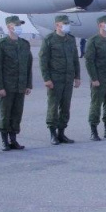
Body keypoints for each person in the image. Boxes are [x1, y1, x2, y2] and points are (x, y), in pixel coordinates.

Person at [0, 15, 32, 150]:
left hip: (20, 85)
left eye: (20, 25)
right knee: (5, 113)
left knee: (17, 113)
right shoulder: (1, 45)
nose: (19, 27)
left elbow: (28, 66)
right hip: (7, 86)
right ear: (9, 27)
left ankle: (13, 139)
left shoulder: (24, 44)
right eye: (16, 25)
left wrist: (28, 84)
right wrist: (0, 87)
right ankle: (4, 140)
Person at [40, 14, 81, 145]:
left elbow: (75, 59)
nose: (67, 26)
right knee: (53, 106)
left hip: (68, 79)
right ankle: (52, 134)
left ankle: (61, 133)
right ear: (57, 25)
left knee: (65, 107)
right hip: (55, 79)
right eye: (64, 23)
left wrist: (77, 76)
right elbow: (43, 60)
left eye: (68, 23)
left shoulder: (70, 39)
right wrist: (47, 78)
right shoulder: (49, 39)